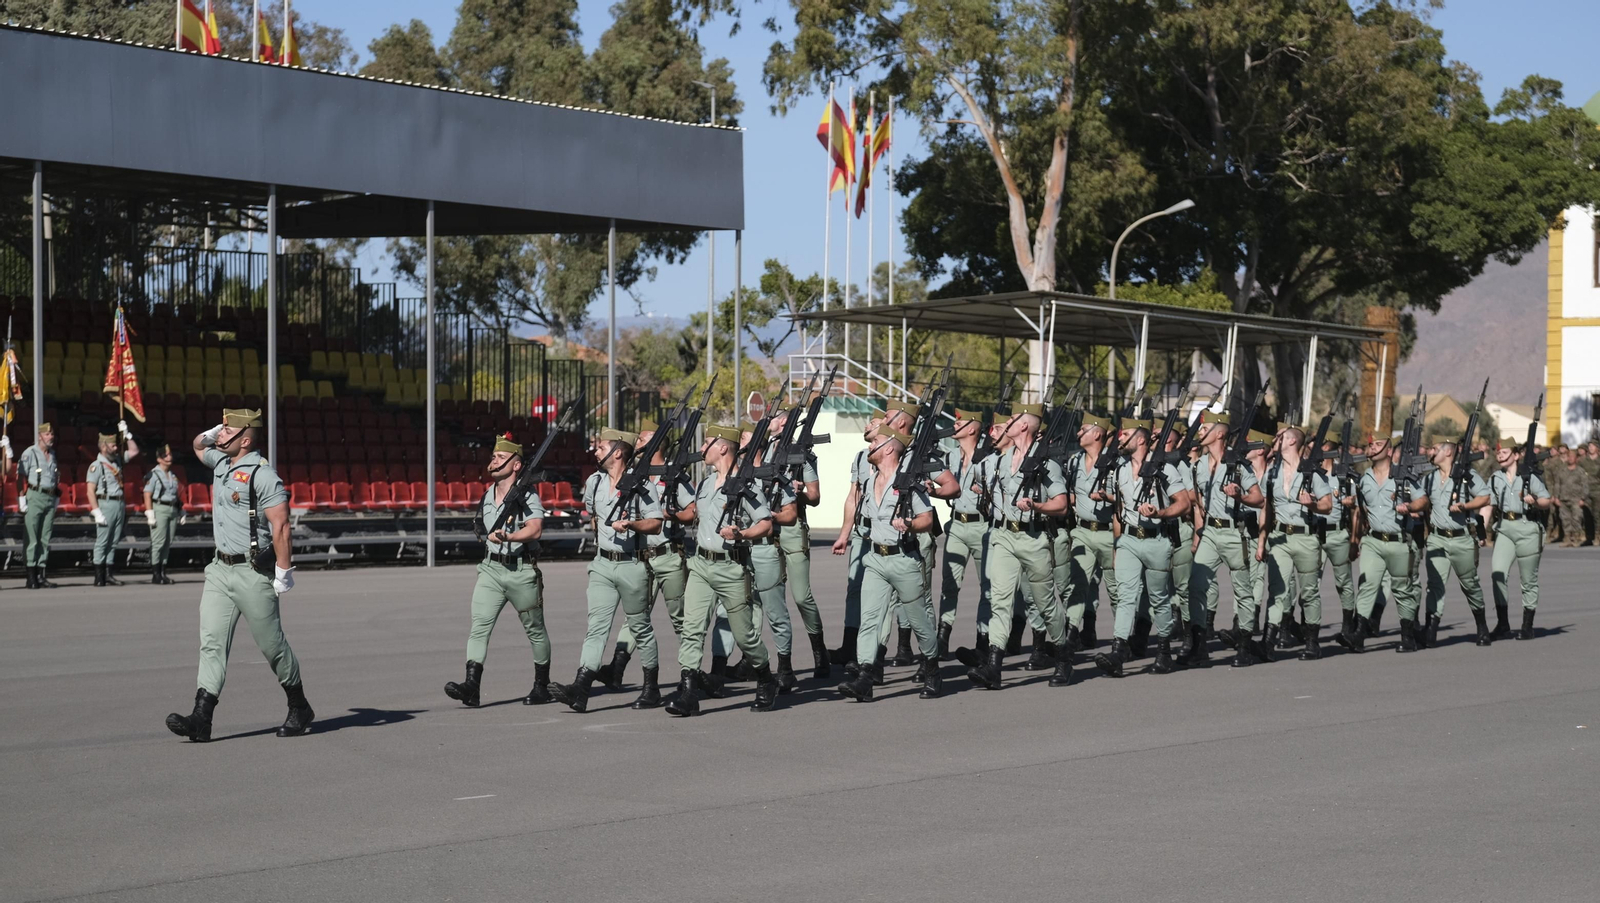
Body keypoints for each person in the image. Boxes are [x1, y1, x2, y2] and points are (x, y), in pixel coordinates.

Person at [165, 409, 310, 743]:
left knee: (272, 646)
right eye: (222, 426)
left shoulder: (262, 474)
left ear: (245, 439)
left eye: (229, 428)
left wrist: (284, 572)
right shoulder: (222, 463)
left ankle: (299, 705)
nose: (221, 433)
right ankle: (201, 717)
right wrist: (214, 429)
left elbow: (281, 525)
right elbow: (199, 446)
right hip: (219, 570)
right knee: (211, 642)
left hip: (252, 572)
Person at [665, 424, 779, 716]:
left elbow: (766, 523)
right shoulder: (704, 484)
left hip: (731, 567)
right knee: (692, 630)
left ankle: (766, 678)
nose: (702, 449)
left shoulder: (747, 485)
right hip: (701, 565)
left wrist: (742, 535)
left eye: (707, 443)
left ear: (724, 447)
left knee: (744, 635)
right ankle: (689, 693)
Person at [552, 428, 661, 713]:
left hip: (631, 565)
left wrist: (633, 524)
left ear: (618, 452)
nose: (596, 452)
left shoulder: (641, 485)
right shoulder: (595, 482)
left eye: (601, 448)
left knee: (640, 627)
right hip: (602, 564)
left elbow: (656, 523)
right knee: (596, 628)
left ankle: (651, 687)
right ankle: (581, 687)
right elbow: (592, 513)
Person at [443, 434, 552, 709]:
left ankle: (542, 686)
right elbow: (481, 526)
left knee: (535, 630)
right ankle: (472, 686)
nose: (494, 461)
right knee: (479, 626)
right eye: (493, 457)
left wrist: (510, 537)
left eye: (501, 458)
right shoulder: (487, 495)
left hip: (521, 570)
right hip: (491, 569)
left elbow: (536, 528)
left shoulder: (527, 494)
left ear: (516, 465)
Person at [966, 404, 1071, 689]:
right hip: (1002, 537)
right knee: (1000, 601)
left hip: (1034, 538)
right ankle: (994, 667)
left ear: (1024, 426)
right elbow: (973, 476)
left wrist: (1038, 505)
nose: (1006, 424)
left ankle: (1062, 654)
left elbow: (1061, 504)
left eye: (1012, 420)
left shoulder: (1047, 464)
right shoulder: (999, 460)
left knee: (1045, 604)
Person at [837, 426, 943, 701]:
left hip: (904, 560)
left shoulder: (908, 482)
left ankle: (931, 665)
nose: (869, 445)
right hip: (875, 559)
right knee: (869, 619)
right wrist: (845, 535)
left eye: (876, 441)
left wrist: (909, 524)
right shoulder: (870, 481)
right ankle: (865, 677)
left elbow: (927, 519)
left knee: (919, 622)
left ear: (889, 448)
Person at [1094, 421, 1190, 677]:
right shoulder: (1119, 470)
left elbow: (1184, 503)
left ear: (1141, 439)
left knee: (1159, 598)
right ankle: (1118, 651)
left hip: (1156, 540)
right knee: (1126, 595)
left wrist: (1160, 513)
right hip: (1128, 540)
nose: (1120, 438)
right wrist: (1117, 545)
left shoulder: (1164, 469)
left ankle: (1163, 652)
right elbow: (1119, 509)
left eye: (1125, 434)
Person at [1186, 411, 1264, 667]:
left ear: (1219, 433)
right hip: (1209, 532)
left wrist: (1239, 496)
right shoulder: (1197, 466)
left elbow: (1259, 499)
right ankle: (1199, 646)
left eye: (1203, 427)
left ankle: (1244, 646)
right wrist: (1198, 535)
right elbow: (1198, 504)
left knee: (1242, 590)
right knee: (1196, 586)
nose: (1199, 431)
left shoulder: (1238, 465)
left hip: (1234, 532)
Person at [1256, 427, 1332, 661]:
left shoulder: (1313, 473)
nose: (1275, 440)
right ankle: (1267, 643)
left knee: (1309, 592)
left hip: (1306, 538)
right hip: (1280, 538)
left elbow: (1327, 505)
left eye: (1279, 437)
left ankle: (1311, 642)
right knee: (1277, 590)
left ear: (1290, 441)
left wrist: (1311, 505)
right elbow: (1266, 508)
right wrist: (1262, 541)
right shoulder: (1272, 472)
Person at [1345, 437, 1426, 652]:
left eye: (1377, 444)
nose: (1372, 447)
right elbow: (1360, 512)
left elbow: (1424, 500)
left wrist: (1410, 507)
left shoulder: (1403, 477)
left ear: (1389, 451)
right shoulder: (1364, 479)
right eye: (1370, 444)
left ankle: (1408, 636)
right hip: (1373, 540)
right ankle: (1359, 634)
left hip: (1399, 541)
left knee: (1402, 589)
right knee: (1367, 585)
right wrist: (1355, 540)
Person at [768, 407, 831, 678]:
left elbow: (815, 497)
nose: (766, 421)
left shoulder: (801, 455)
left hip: (793, 528)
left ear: (782, 422)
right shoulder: (764, 451)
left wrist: (799, 490)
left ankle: (819, 651)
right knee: (770, 597)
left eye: (771, 417)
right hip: (766, 528)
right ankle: (782, 664)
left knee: (801, 596)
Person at [1415, 441, 1491, 646]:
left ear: (1447, 452)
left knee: (1470, 584)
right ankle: (1430, 632)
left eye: (1435, 448)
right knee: (1434, 585)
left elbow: (1485, 497)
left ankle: (1482, 626)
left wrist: (1465, 505)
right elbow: (1418, 499)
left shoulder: (1467, 476)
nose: (1431, 452)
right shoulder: (1429, 478)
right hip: (1437, 538)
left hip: (1462, 538)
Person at [936, 408, 992, 660]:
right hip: (957, 525)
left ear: (972, 428)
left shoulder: (989, 456)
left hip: (983, 526)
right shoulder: (947, 458)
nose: (955, 425)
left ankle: (984, 640)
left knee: (988, 586)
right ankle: (941, 639)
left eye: (960, 422)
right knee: (949, 583)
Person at [1065, 416, 1118, 654]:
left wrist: (1109, 497)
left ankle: (1122, 639)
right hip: (1083, 531)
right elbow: (1072, 494)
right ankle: (1070, 635)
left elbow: (1129, 498)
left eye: (1083, 429)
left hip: (1110, 534)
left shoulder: (1117, 463)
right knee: (1078, 585)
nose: (1078, 433)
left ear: (1097, 434)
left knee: (1116, 589)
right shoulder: (1074, 461)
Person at [1488, 444, 1552, 642]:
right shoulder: (1495, 478)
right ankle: (1503, 623)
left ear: (1515, 456)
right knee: (1497, 573)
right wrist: (1480, 528)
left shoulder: (1528, 477)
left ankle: (1527, 625)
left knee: (1528, 580)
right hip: (1505, 528)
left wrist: (1534, 501)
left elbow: (1546, 500)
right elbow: (1489, 504)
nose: (1500, 456)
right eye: (1498, 453)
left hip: (1527, 528)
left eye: (1505, 452)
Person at [1315, 426, 1358, 642]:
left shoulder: (1342, 474)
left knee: (1344, 582)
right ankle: (1308, 625)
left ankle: (1348, 623)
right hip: (1315, 533)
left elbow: (1355, 510)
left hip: (1338, 534)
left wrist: (1353, 540)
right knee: (1311, 582)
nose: (1320, 448)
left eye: (1323, 444)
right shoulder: (1311, 473)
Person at [85, 426, 139, 587]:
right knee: (102, 541)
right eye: (113, 445)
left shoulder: (117, 461)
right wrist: (96, 511)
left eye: (116, 445)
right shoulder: (97, 465)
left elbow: (134, 451)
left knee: (114, 541)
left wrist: (128, 435)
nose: (116, 448)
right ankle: (98, 575)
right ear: (103, 447)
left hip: (119, 503)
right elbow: (90, 491)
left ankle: (108, 573)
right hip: (105, 503)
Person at [18, 422, 61, 589]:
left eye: (52, 434)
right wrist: (21, 498)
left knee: (45, 536)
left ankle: (41, 573)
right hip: (35, 496)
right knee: (32, 537)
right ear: (40, 436)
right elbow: (20, 477)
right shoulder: (30, 453)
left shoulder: (53, 454)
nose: (51, 437)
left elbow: (54, 477)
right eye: (47, 434)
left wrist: (56, 496)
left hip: (49, 497)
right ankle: (30, 576)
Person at [143, 443, 181, 585]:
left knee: (167, 542)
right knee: (158, 542)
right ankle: (156, 574)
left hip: (172, 509)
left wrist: (181, 509)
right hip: (159, 508)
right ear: (159, 459)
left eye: (170, 454)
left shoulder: (172, 475)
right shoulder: (154, 474)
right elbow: (147, 494)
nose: (169, 457)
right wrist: (149, 513)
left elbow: (175, 495)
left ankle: (163, 572)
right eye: (165, 455)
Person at [1549, 447, 1589, 549]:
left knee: (1576, 519)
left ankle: (1575, 538)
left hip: (1576, 499)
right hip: (1563, 499)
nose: (1570, 459)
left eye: (1572, 457)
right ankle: (1567, 538)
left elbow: (1585, 485)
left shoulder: (1581, 471)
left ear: (1576, 458)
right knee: (1565, 520)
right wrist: (1556, 497)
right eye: (1569, 457)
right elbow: (1557, 484)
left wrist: (1583, 498)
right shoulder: (1561, 471)